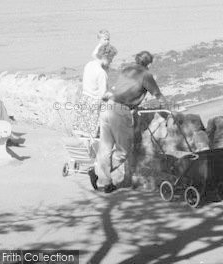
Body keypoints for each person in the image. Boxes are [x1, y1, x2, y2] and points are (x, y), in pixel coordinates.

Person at [96, 50, 169, 193]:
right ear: (148, 63)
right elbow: (158, 94)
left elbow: (117, 88)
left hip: (107, 107)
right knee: (124, 151)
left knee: (105, 148)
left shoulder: (127, 69)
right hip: (120, 111)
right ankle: (99, 172)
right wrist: (168, 109)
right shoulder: (146, 75)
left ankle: (103, 181)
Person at [72, 43, 118, 138]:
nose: (111, 61)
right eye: (111, 58)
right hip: (95, 103)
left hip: (85, 99)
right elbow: (103, 95)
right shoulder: (101, 73)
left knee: (83, 129)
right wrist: (114, 92)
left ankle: (83, 148)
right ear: (105, 57)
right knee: (94, 132)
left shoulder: (89, 65)